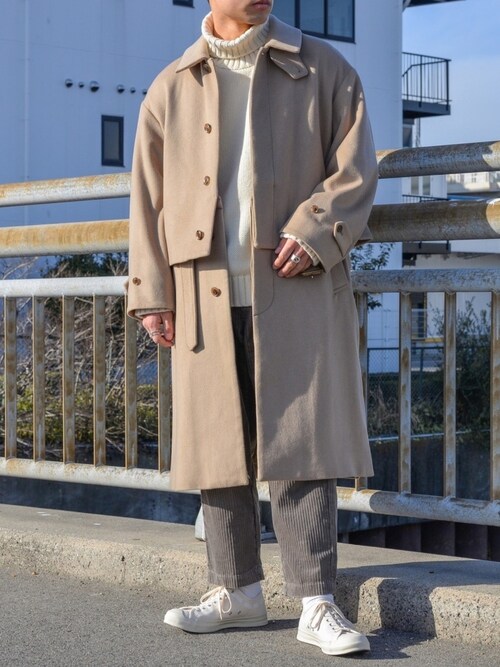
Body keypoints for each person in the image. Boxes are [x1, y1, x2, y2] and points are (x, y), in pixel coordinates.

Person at [127, 0, 378, 657]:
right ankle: (235, 590)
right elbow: (147, 198)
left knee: (302, 442)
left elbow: (356, 171)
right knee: (218, 445)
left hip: (295, 287)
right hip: (201, 290)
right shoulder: (170, 86)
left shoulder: (324, 69)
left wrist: (316, 229)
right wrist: (151, 293)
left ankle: (317, 602)